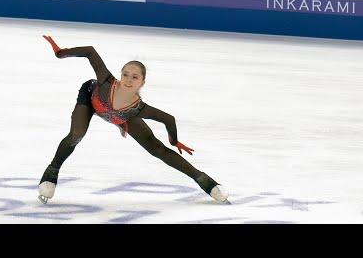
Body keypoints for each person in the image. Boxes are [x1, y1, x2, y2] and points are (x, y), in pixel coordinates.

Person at [38, 35, 230, 204]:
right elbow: (90, 52)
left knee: (156, 148)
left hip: (122, 115)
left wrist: (174, 141)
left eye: (135, 77)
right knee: (77, 134)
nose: (129, 80)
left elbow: (168, 119)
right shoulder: (105, 81)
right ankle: (52, 171)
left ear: (142, 82)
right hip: (91, 99)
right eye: (125, 75)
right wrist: (60, 53)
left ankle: (206, 182)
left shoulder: (139, 109)